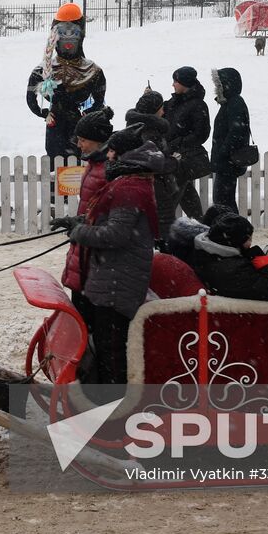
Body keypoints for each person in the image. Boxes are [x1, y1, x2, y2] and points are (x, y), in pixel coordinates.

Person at [54, 127, 161, 385]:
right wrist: (77, 222)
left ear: (124, 154)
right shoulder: (128, 182)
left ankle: (113, 405)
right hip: (111, 276)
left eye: (112, 150)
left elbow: (116, 234)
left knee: (111, 351)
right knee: (106, 345)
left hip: (117, 281)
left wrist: (80, 232)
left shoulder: (129, 188)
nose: (108, 154)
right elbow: (107, 218)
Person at [25, 3, 107, 159]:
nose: (69, 38)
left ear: (81, 35)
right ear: (54, 36)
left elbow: (100, 100)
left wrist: (87, 115)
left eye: (74, 32)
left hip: (81, 131)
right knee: (56, 168)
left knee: (78, 166)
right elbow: (30, 98)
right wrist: (44, 113)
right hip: (55, 129)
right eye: (63, 32)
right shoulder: (42, 71)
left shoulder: (93, 71)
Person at [58, 108, 114, 294]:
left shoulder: (108, 169)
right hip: (85, 240)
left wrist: (84, 226)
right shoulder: (93, 163)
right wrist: (77, 222)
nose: (79, 145)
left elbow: (108, 213)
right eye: (78, 140)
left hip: (96, 249)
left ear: (98, 141)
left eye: (83, 140)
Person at [178, 212, 268, 302]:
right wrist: (266, 264)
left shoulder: (206, 251)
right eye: (248, 240)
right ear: (234, 242)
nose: (250, 244)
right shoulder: (232, 270)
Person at [124, 89, 180, 243]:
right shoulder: (150, 133)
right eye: (161, 107)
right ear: (154, 111)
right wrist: (174, 161)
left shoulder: (135, 128)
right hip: (157, 189)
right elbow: (155, 164)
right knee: (164, 231)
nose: (163, 111)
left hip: (149, 188)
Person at [164, 66, 211, 221]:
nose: (173, 85)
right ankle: (200, 225)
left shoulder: (198, 105)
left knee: (172, 196)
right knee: (187, 195)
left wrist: (179, 143)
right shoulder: (174, 102)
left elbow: (201, 134)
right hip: (174, 157)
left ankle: (163, 229)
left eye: (175, 81)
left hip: (185, 159)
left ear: (184, 83)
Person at [209, 67, 252, 209]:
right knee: (223, 200)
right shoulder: (230, 102)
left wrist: (222, 152)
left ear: (227, 84)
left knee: (223, 201)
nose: (217, 87)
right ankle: (230, 228)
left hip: (229, 161)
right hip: (228, 161)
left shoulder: (235, 103)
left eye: (219, 84)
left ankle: (231, 229)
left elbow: (237, 132)